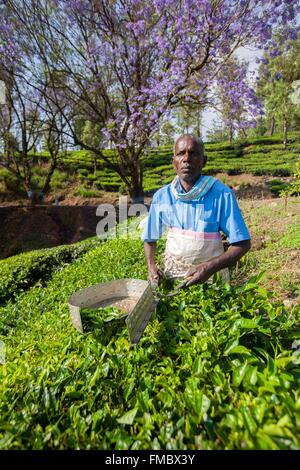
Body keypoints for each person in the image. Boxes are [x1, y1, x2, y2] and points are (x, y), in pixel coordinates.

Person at [141, 134, 251, 289]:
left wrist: (208, 268)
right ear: (174, 162)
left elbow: (243, 243)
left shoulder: (221, 194)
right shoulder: (163, 196)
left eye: (193, 153)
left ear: (204, 161)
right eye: (181, 154)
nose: (187, 159)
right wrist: (151, 266)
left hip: (212, 281)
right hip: (173, 279)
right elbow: (150, 237)